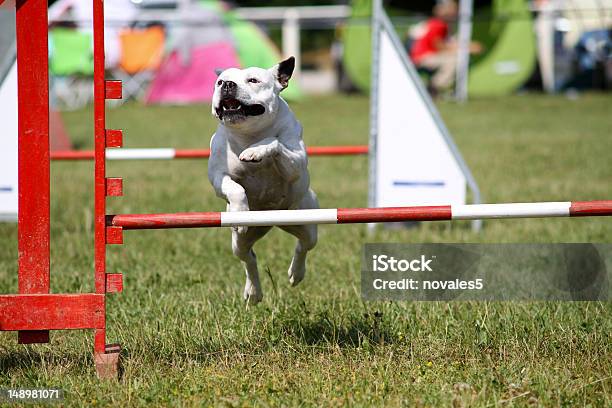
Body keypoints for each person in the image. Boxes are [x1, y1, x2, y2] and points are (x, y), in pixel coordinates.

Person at [410, 0, 482, 94]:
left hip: (428, 56)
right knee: (456, 60)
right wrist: (466, 48)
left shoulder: (443, 24)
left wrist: (467, 46)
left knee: (458, 58)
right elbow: (440, 46)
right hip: (422, 57)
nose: (456, 12)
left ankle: (436, 87)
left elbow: (448, 43)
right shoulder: (438, 24)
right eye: (453, 9)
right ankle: (432, 87)